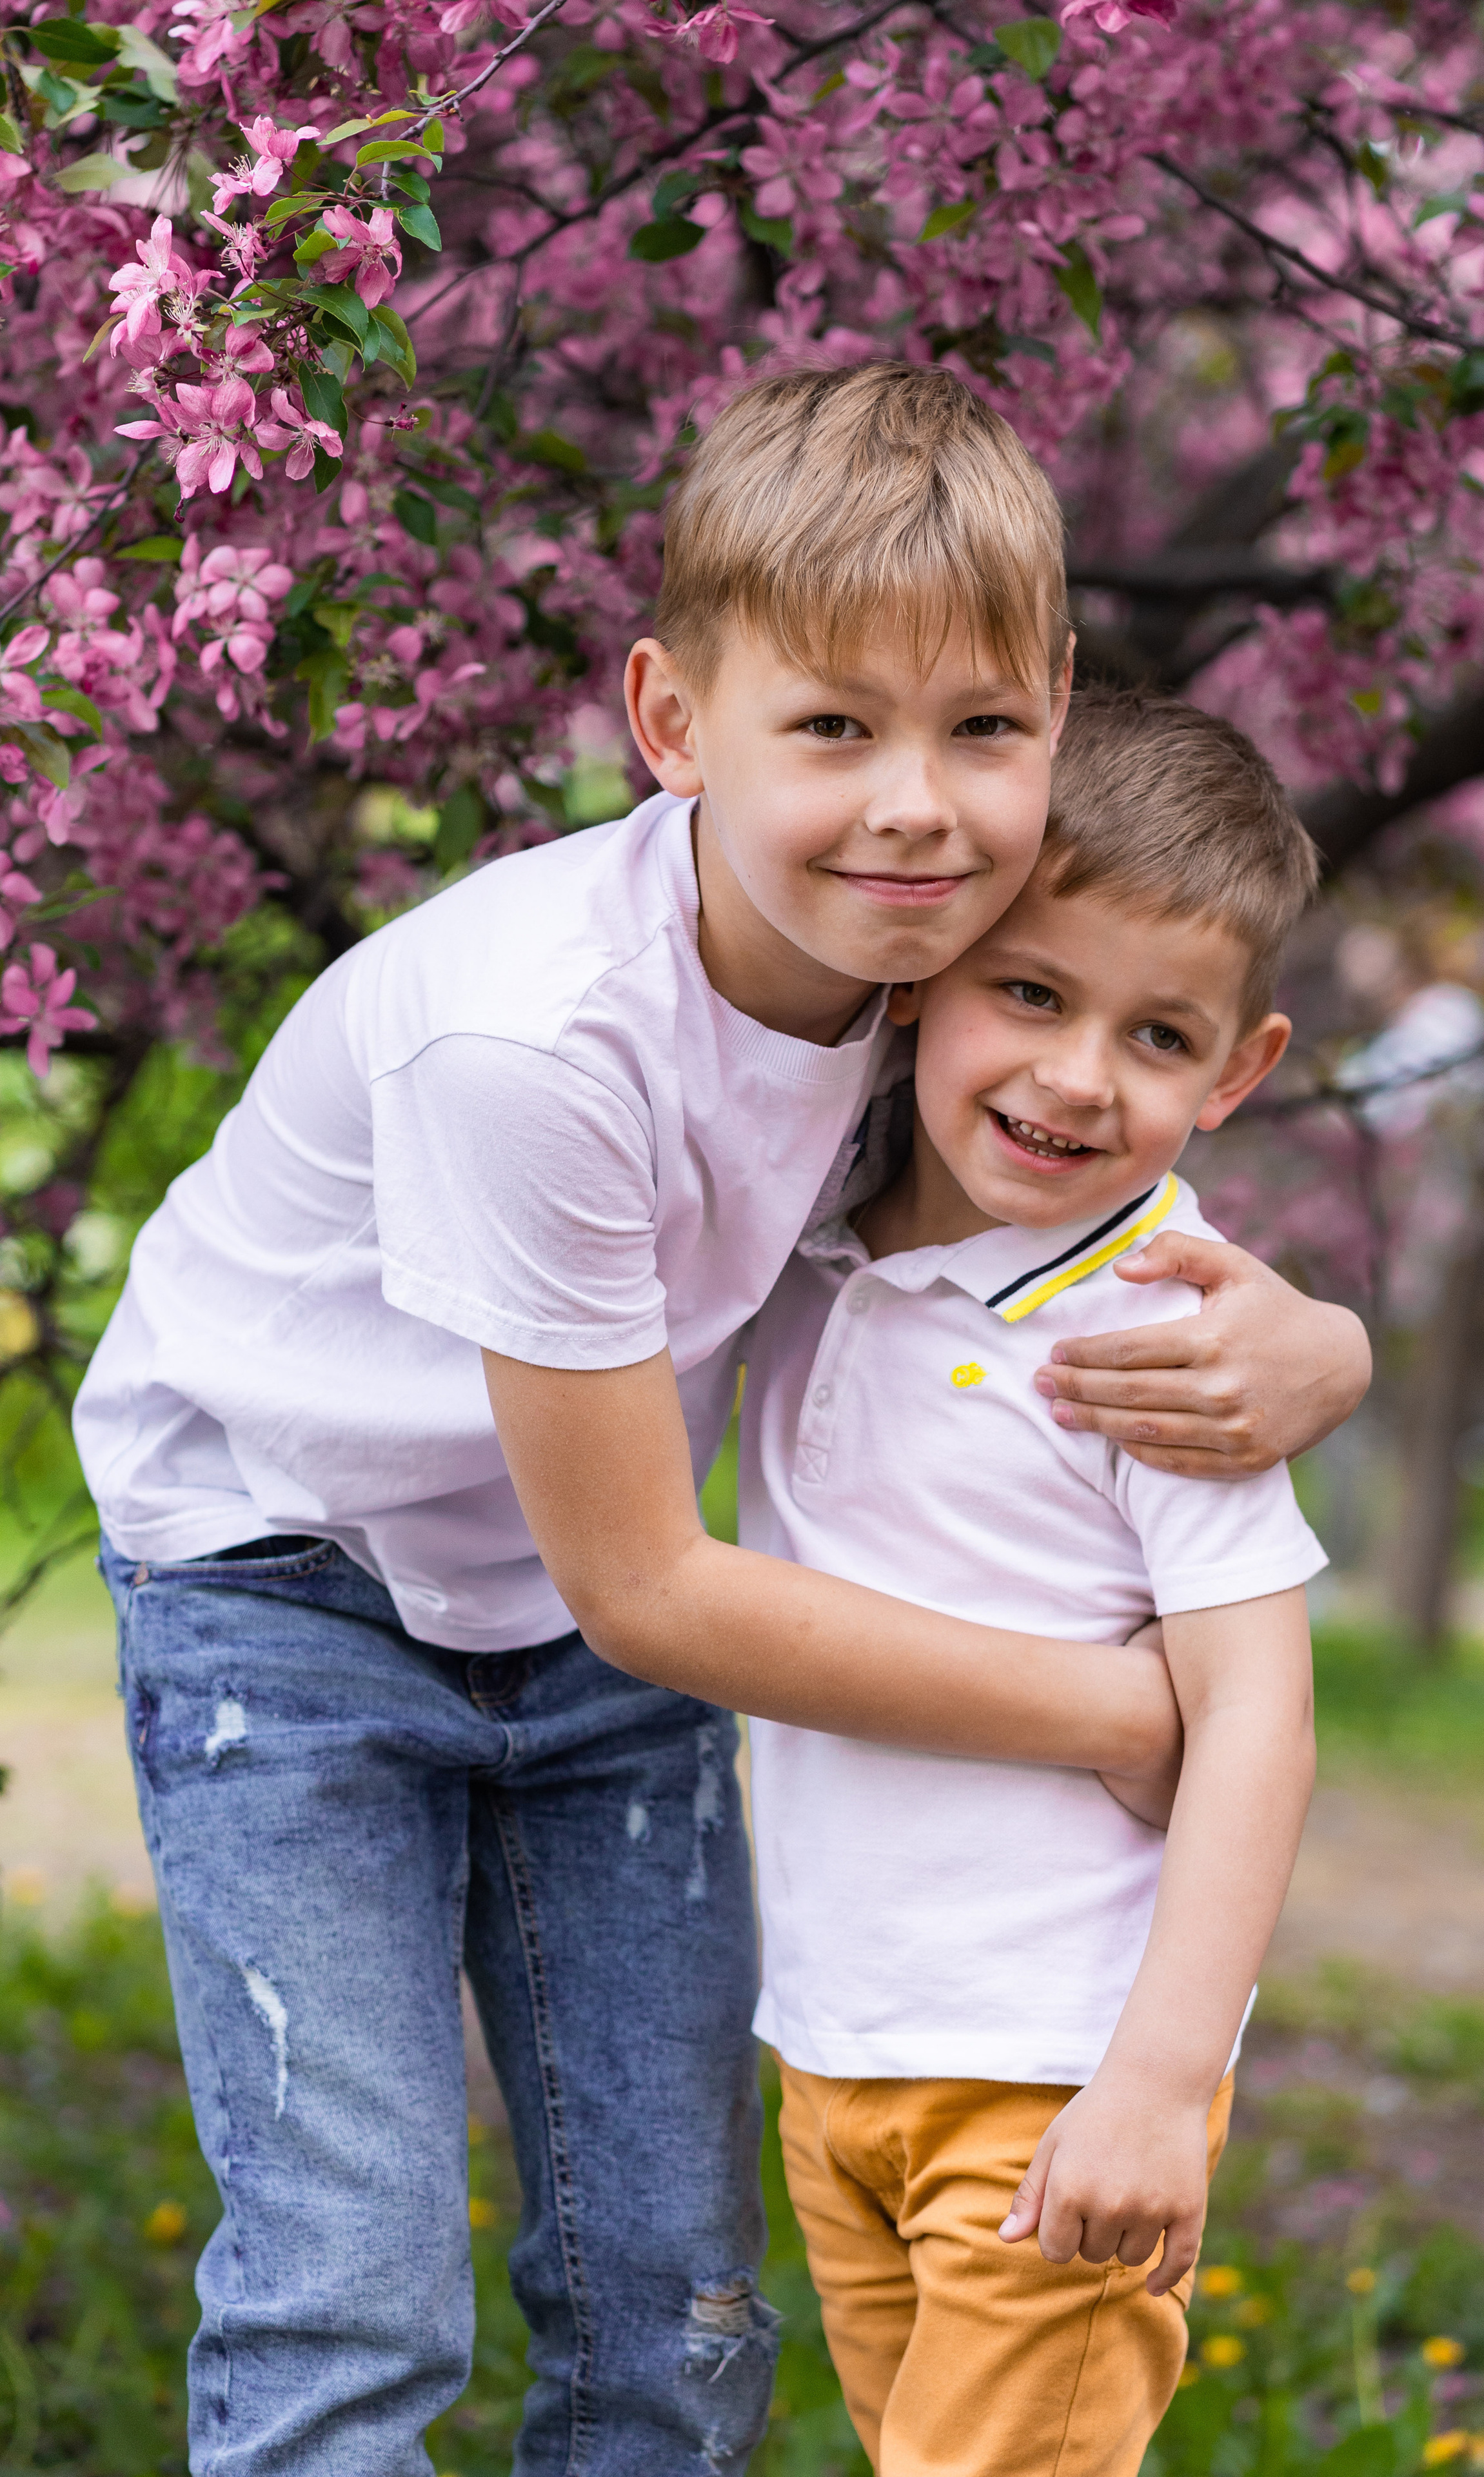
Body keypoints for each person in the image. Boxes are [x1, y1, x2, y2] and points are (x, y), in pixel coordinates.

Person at [75, 366, 1368, 2473]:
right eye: (834, 728)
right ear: (674, 726)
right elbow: (656, 1583)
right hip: (289, 1586)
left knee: (673, 2289)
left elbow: (1091, 1192)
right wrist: (1129, 1718)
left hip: (589, 1625)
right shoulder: (540, 1045)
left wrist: (1325, 1345)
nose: (916, 809)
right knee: (352, 2280)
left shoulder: (937, 987)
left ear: (1055, 705)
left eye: (980, 730)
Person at [742, 688, 1326, 2477]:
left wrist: (1155, 2086)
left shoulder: (1171, 1329)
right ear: (922, 966)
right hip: (838, 2053)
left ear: (1236, 1073)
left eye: (1160, 1036)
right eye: (1033, 992)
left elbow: (1257, 1720)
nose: (1080, 1076)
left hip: (1055, 2072)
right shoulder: (807, 1228)